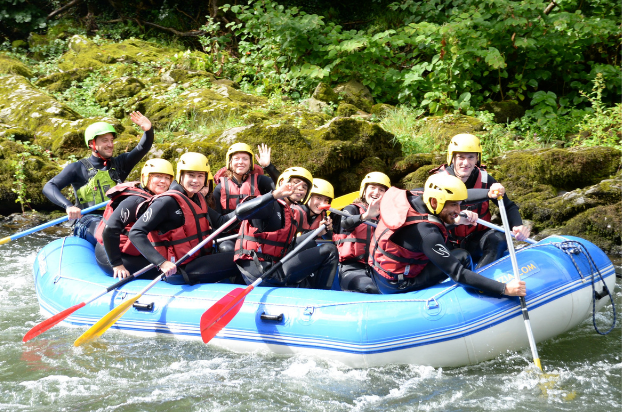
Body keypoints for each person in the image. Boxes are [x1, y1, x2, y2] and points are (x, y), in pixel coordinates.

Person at [368, 173, 526, 297]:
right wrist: (505, 289)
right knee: (462, 257)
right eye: (453, 205)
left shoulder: (419, 195)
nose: (459, 210)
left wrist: (489, 193)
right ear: (435, 202)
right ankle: (475, 295)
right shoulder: (427, 234)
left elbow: (459, 197)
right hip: (397, 284)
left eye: (458, 204)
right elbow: (458, 273)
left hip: (380, 272)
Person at [42, 112, 154, 245]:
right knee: (107, 233)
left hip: (116, 217)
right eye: (105, 140)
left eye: (111, 140)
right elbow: (49, 186)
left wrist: (148, 130)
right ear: (91, 144)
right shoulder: (77, 168)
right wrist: (68, 206)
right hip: (88, 220)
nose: (110, 144)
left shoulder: (120, 163)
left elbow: (142, 147)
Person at [128, 152, 240, 285]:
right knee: (242, 258)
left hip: (199, 260)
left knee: (243, 252)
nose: (196, 180)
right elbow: (136, 233)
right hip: (180, 269)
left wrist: (251, 207)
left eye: (200, 176)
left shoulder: (197, 198)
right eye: (191, 175)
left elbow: (222, 222)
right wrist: (161, 262)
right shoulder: (167, 201)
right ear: (181, 175)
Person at [430, 134, 530, 268]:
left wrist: (517, 225)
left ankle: (483, 275)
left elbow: (509, 206)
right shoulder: (438, 182)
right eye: (461, 157)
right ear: (452, 158)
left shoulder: (485, 179)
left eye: (471, 157)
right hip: (448, 243)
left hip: (476, 240)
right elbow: (428, 224)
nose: (466, 163)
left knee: (500, 238)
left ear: (477, 158)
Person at [233, 167, 339, 289]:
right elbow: (240, 212)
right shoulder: (270, 205)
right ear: (282, 183)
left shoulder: (289, 212)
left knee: (310, 242)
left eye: (304, 187)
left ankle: (305, 287)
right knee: (330, 251)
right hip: (263, 273)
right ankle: (319, 297)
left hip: (272, 266)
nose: (300, 188)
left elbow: (289, 246)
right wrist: (274, 195)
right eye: (295, 183)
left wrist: (319, 231)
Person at [93, 159, 174, 279]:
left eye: (167, 178)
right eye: (158, 176)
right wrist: (117, 264)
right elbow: (110, 229)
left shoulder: (159, 198)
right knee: (164, 272)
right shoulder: (135, 201)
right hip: (112, 253)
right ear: (145, 177)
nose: (163, 181)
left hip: (134, 251)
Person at [211, 143, 280, 253]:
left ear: (250, 163)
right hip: (230, 236)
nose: (241, 162)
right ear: (230, 162)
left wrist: (268, 166)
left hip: (256, 234)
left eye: (245, 159)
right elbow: (217, 220)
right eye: (236, 159)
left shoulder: (260, 181)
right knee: (227, 249)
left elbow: (281, 188)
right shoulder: (220, 188)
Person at [333, 172, 390, 293]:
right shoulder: (352, 209)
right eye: (372, 187)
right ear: (364, 191)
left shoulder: (387, 216)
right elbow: (345, 224)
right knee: (371, 288)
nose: (376, 192)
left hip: (379, 269)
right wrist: (366, 216)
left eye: (381, 189)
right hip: (352, 268)